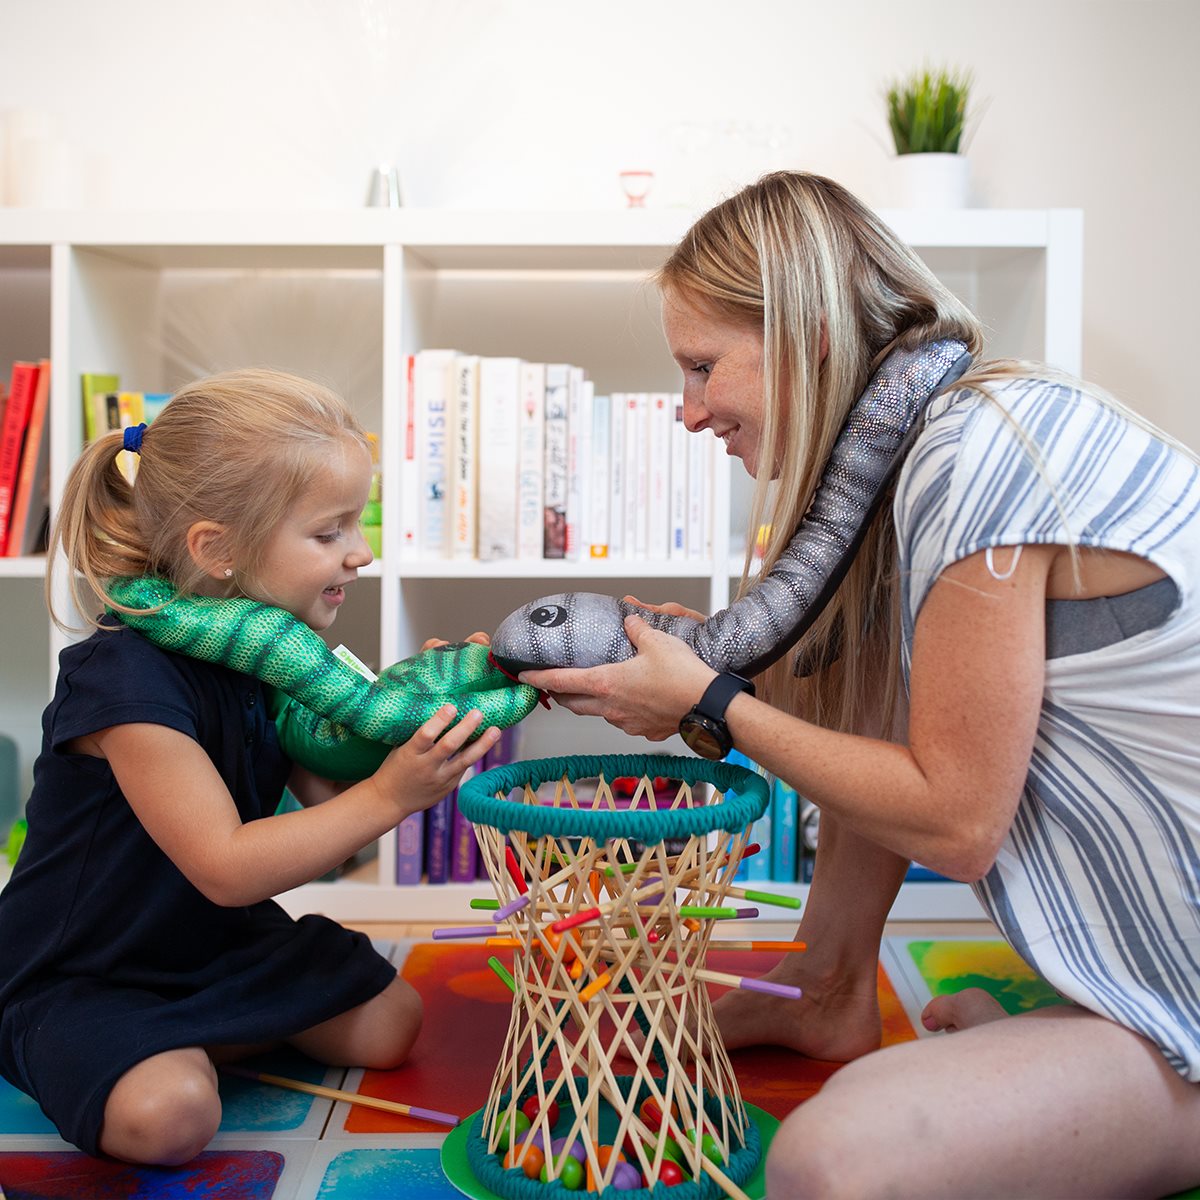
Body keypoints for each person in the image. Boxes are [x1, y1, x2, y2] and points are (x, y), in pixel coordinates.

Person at [520, 172, 1200, 1198]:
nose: (692, 411)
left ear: (808, 338)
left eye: (704, 368)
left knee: (829, 1165)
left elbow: (959, 819)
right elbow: (850, 700)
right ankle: (830, 981)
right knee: (870, 669)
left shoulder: (981, 456)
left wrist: (709, 704)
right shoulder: (933, 441)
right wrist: (679, 662)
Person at [0, 368, 501, 1166]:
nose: (361, 554)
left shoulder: (269, 654)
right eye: (330, 532)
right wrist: (391, 795)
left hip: (213, 943)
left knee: (389, 1025)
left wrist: (428, 705)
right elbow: (229, 867)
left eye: (356, 526)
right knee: (172, 1117)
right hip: (89, 968)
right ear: (217, 549)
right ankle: (113, 1047)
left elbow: (319, 792)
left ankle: (190, 1038)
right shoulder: (122, 680)